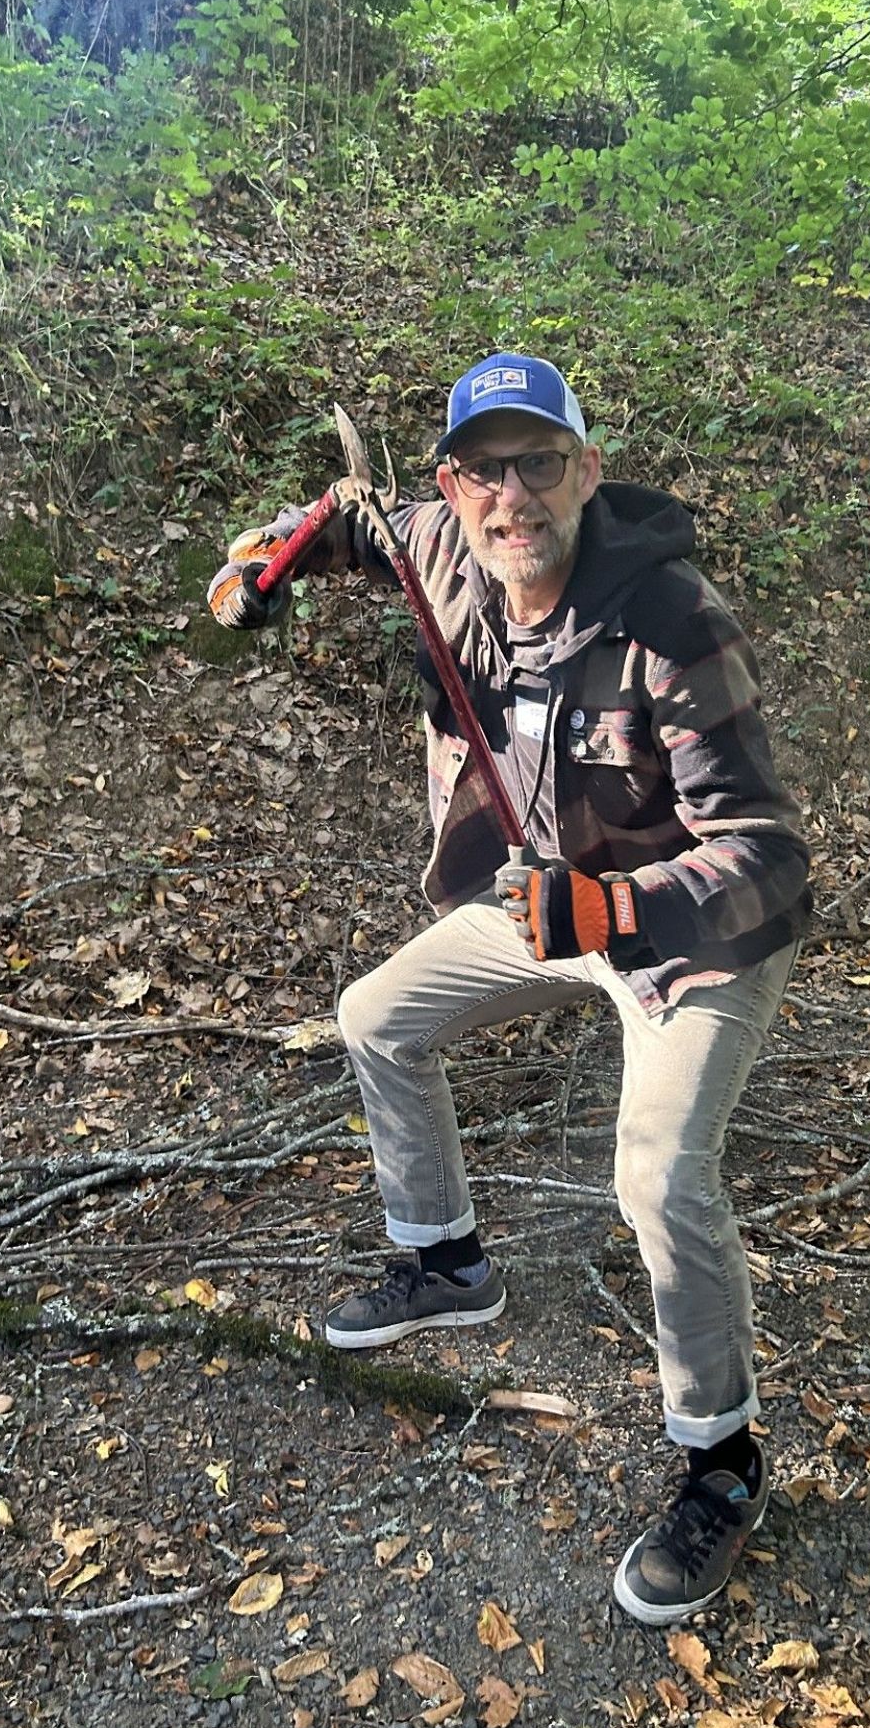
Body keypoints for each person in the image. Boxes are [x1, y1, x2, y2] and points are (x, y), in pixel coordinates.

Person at [208, 352, 811, 1625]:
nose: (511, 494)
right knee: (376, 1015)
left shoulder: (673, 619)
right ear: (454, 483)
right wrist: (271, 555)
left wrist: (619, 907)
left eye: (540, 462)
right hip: (544, 901)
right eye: (485, 468)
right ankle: (446, 1262)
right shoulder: (443, 539)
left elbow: (769, 850)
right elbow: (354, 521)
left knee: (655, 1168)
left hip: (689, 932)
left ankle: (723, 1455)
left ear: (588, 471)